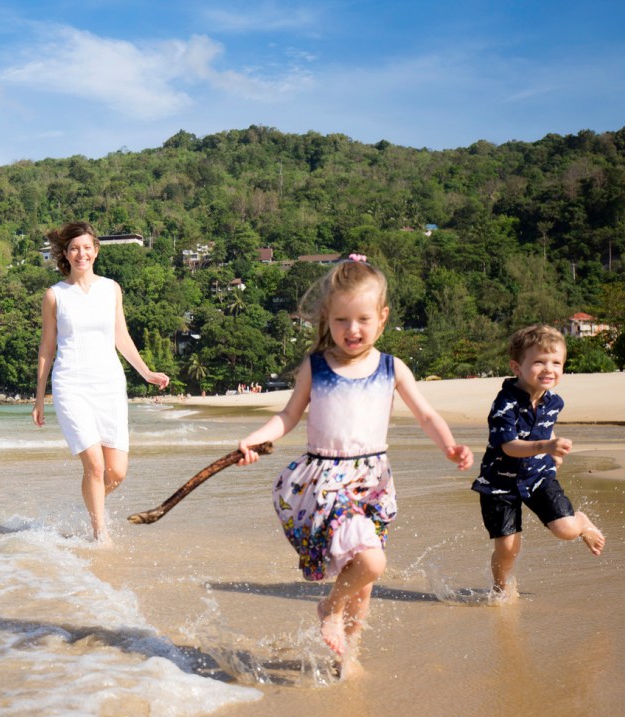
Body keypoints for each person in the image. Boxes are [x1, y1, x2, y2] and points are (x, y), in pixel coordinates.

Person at [234, 256, 473, 668]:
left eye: (363, 319)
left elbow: (427, 415)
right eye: (342, 320)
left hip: (373, 483)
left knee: (364, 582)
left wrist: (450, 446)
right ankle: (329, 608)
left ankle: (349, 657)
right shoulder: (316, 368)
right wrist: (254, 440)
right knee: (372, 562)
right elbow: (288, 416)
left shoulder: (391, 368)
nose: (352, 329)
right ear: (327, 318)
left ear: (382, 317)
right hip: (325, 482)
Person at [32, 221, 170, 542]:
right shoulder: (55, 296)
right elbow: (47, 348)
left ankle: (89, 506)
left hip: (108, 384)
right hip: (71, 385)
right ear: (66, 254)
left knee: (116, 472)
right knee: (94, 465)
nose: (82, 253)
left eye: (87, 247)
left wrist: (146, 373)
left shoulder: (111, 289)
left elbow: (121, 336)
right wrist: (40, 397)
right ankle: (100, 534)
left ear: (95, 250)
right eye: (74, 248)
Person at [471, 325, 605, 596]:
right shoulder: (504, 405)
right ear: (517, 367)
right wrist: (548, 445)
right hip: (499, 484)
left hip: (538, 476)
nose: (549, 369)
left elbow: (544, 427)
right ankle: (500, 590)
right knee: (508, 548)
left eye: (556, 362)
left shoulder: (554, 402)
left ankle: (581, 521)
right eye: (539, 362)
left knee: (566, 530)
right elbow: (509, 447)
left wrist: (552, 450)